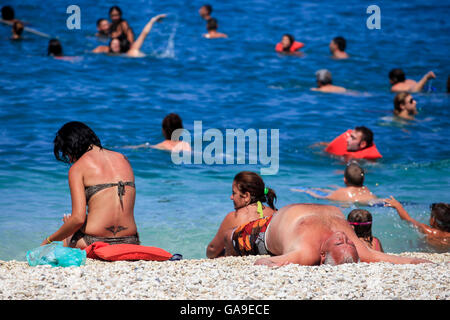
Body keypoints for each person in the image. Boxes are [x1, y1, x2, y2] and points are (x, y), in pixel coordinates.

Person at [223, 203, 431, 266]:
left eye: (341, 245)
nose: (343, 237)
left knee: (228, 237)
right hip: (288, 216)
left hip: (263, 231)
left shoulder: (307, 252)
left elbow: (263, 263)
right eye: (349, 241)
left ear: (322, 256)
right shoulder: (357, 251)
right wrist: (419, 262)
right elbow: (394, 259)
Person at [42, 121, 140, 248]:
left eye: (67, 154)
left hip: (93, 241)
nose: (70, 160)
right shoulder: (123, 158)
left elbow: (78, 219)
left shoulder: (78, 168)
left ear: (72, 146)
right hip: (131, 241)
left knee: (63, 237)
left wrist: (48, 240)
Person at [207, 171, 277, 258]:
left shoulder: (233, 217)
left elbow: (212, 249)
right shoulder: (275, 214)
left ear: (246, 196)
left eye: (234, 193)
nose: (231, 197)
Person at [292, 161, 378, 204]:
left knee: (319, 194)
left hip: (351, 201)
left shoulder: (341, 192)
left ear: (345, 180)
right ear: (363, 179)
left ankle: (308, 189)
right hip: (369, 202)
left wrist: (308, 191)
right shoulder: (366, 190)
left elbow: (322, 197)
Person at [384, 196, 450, 249]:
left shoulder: (427, 231)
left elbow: (407, 219)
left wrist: (398, 206)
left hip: (426, 252)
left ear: (433, 219)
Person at [93, 14, 166, 57]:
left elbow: (143, 34)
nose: (115, 46)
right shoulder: (105, 50)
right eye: (113, 44)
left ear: (121, 45)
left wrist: (152, 21)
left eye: (117, 44)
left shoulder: (130, 52)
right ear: (110, 45)